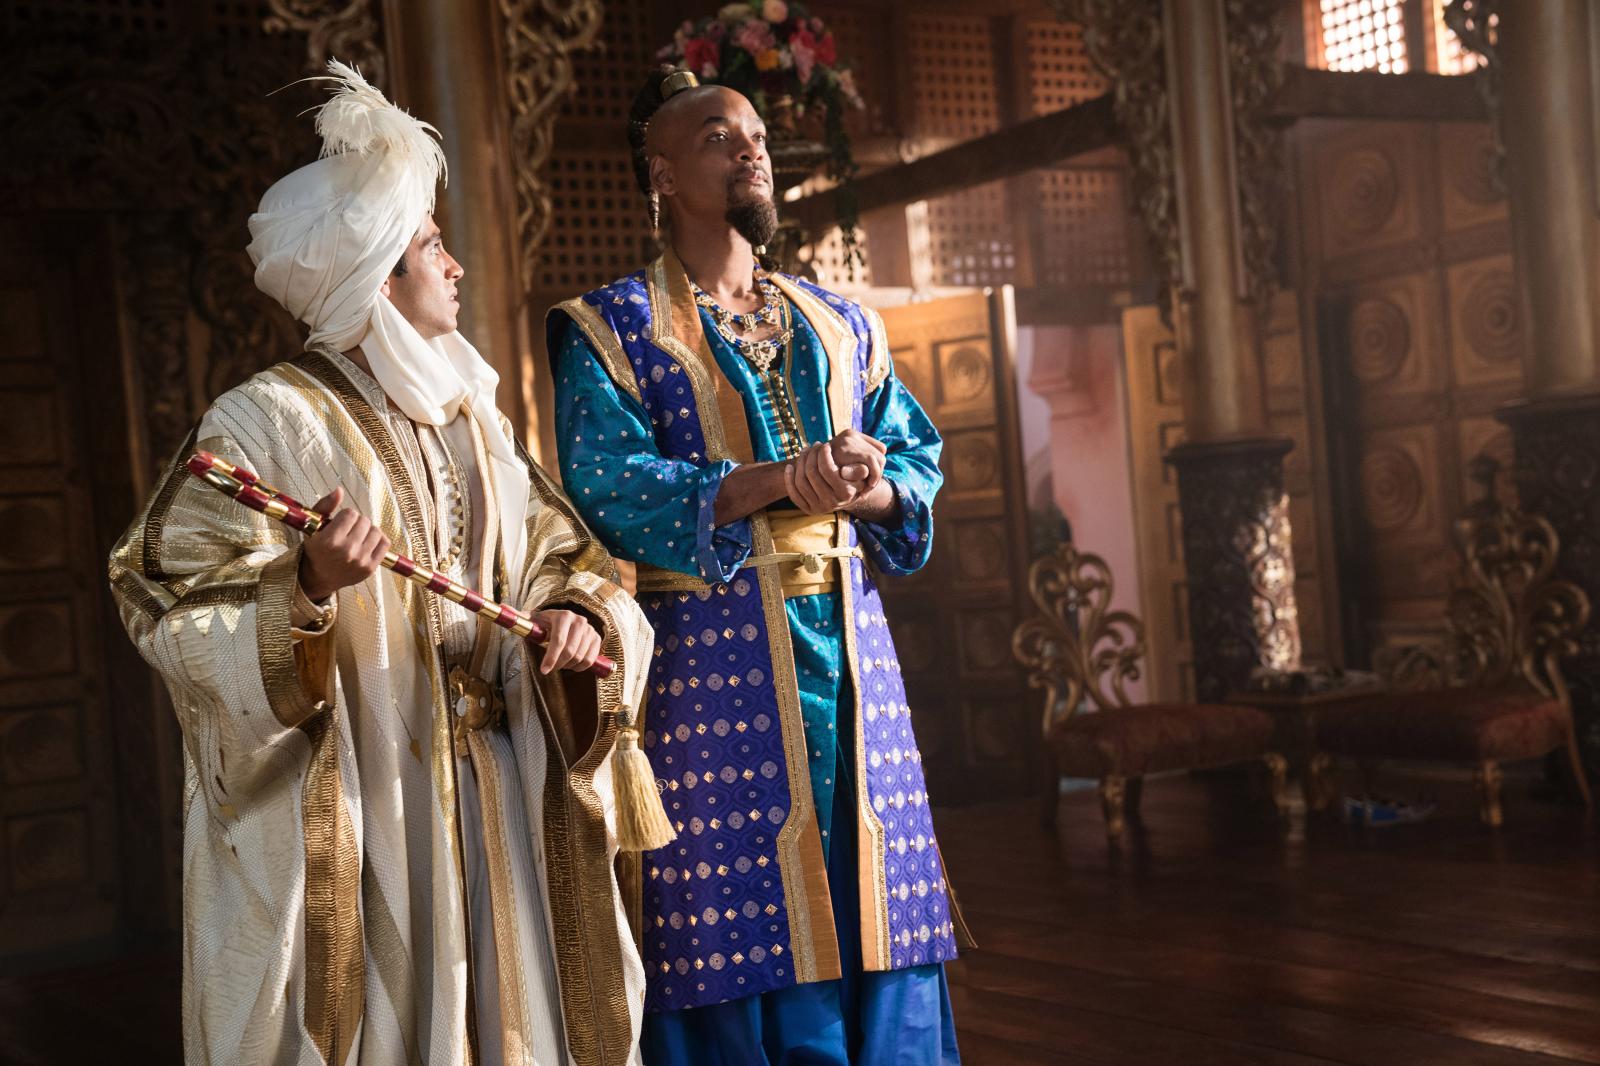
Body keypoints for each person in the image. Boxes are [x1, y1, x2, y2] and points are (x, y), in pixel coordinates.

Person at [109, 61, 658, 1066]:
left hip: (498, 783)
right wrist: (304, 586)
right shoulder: (262, 420)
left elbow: (557, 547)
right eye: (431, 246)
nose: (456, 267)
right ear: (376, 275)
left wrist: (575, 611)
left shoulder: (471, 412)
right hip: (368, 793)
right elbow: (159, 592)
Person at [545, 67, 970, 1065]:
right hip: (713, 660)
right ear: (660, 173)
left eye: (758, 136)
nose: (751, 151)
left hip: (854, 654)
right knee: (734, 911)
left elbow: (915, 454)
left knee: (880, 895)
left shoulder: (841, 321)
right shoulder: (612, 327)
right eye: (718, 137)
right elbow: (610, 485)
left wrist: (866, 483)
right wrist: (777, 480)